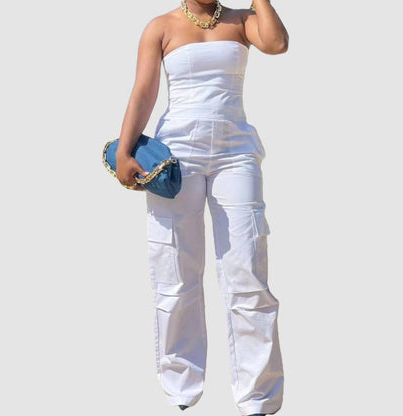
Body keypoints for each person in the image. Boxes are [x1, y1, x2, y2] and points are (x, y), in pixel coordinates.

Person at [115, 1, 289, 415]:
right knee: (175, 270)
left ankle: (258, 398)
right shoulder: (161, 27)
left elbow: (277, 43)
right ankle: (182, 386)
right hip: (177, 156)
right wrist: (125, 149)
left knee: (248, 270)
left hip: (236, 153)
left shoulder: (243, 20)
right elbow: (144, 91)